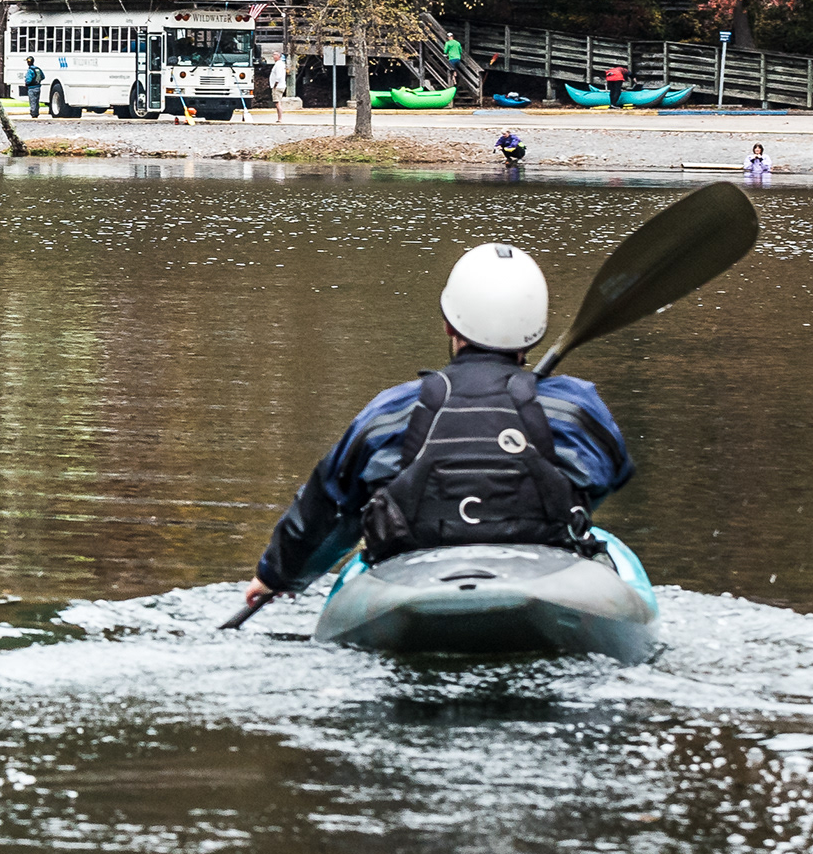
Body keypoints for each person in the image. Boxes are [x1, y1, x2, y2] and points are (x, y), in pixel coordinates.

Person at [241, 242, 634, 616]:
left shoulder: (392, 410)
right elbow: (610, 475)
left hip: (411, 585)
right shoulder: (575, 407)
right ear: (536, 331)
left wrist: (277, 575)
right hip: (547, 581)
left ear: (448, 325)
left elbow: (330, 507)